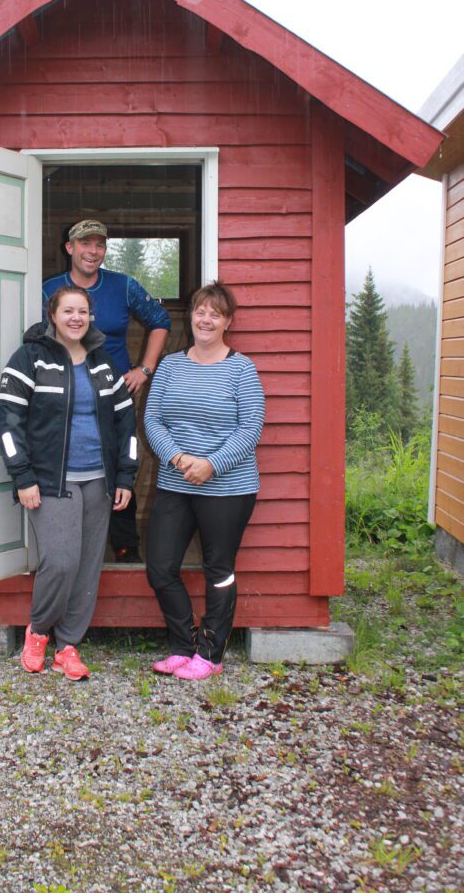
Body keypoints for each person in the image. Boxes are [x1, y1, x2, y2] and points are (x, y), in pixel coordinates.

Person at [0, 285, 137, 680]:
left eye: (83, 311)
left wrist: (125, 474)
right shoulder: (29, 359)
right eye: (68, 310)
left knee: (88, 566)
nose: (76, 317)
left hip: (99, 480)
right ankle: (39, 631)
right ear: (52, 315)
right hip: (49, 480)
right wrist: (22, 475)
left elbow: (126, 423)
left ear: (90, 317)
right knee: (60, 561)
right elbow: (8, 422)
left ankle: (69, 645)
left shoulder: (102, 361)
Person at [143, 282, 265, 680]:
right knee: (161, 567)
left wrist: (211, 464)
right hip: (175, 481)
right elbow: (153, 419)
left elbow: (251, 427)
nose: (206, 319)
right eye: (200, 311)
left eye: (215, 313)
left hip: (229, 488)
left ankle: (210, 655)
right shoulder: (171, 365)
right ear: (190, 316)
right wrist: (178, 458)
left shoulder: (241, 369)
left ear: (227, 321)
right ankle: (182, 645)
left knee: (219, 568)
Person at [42, 218, 171, 563]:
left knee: (119, 465)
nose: (92, 251)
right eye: (85, 244)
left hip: (113, 392)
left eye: (99, 245)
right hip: (65, 392)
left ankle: (126, 549)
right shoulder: (49, 289)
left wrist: (144, 369)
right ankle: (68, 550)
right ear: (70, 248)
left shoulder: (123, 286)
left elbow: (161, 321)